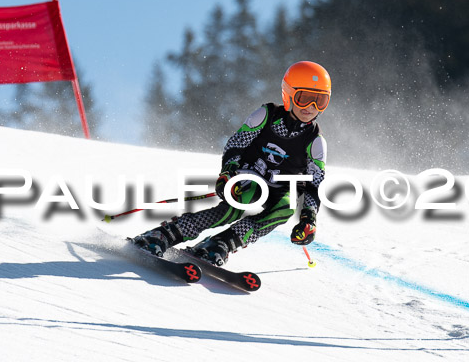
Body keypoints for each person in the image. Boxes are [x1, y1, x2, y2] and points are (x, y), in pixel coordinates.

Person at [131, 61, 330, 266]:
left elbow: (315, 184)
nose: (311, 108)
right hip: (250, 175)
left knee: (284, 208)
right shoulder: (266, 115)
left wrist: (309, 218)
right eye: (305, 98)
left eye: (320, 101)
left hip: (282, 188)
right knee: (236, 204)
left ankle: (221, 244)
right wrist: (228, 173)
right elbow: (236, 144)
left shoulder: (316, 141)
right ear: (288, 95)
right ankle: (166, 234)